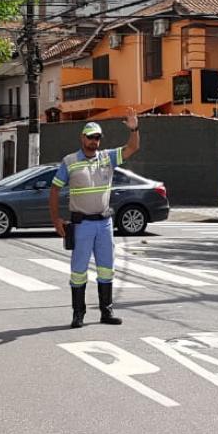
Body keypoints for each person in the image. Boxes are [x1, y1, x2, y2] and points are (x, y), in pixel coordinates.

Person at [49, 114, 140, 328]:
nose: (94, 142)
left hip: (104, 224)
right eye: (90, 137)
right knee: (79, 271)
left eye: (97, 138)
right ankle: (78, 313)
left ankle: (106, 311)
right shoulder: (70, 162)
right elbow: (54, 190)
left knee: (106, 269)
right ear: (82, 138)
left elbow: (131, 148)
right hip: (82, 225)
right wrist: (56, 220)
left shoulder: (107, 157)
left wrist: (134, 130)